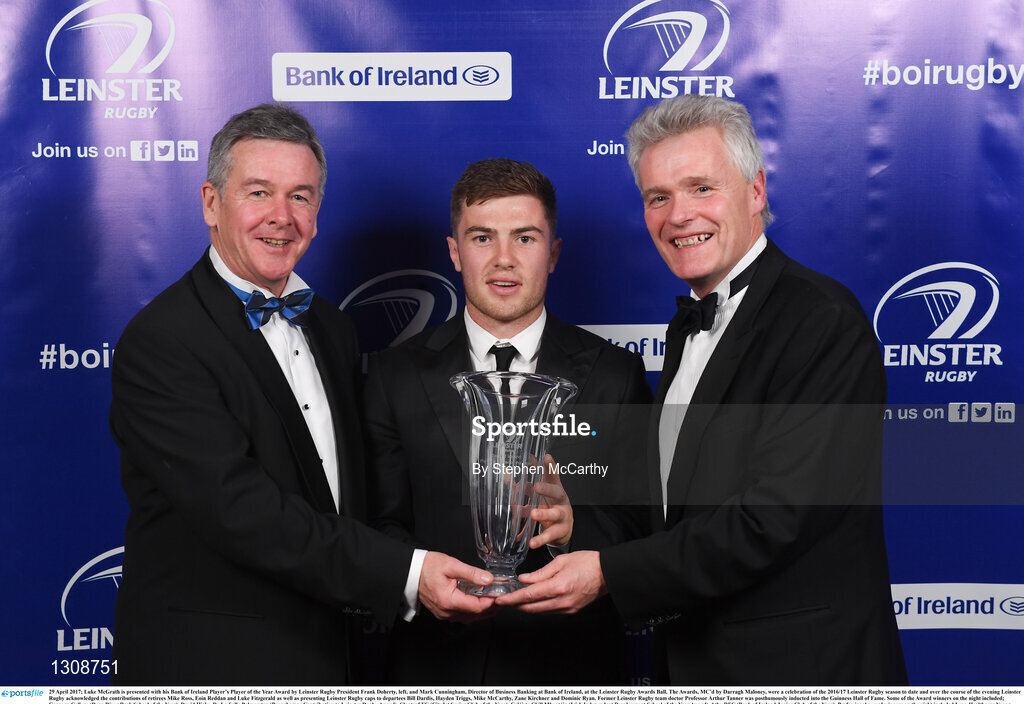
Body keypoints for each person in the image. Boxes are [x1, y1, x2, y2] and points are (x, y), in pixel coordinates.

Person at [497, 96, 908, 685]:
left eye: (701, 188)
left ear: (756, 191)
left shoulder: (821, 319)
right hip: (696, 661)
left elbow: (774, 520)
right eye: (657, 197)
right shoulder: (688, 327)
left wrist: (609, 572)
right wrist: (576, 527)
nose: (679, 215)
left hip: (800, 670)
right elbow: (683, 509)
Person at [109, 103, 494, 685]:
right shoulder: (162, 340)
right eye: (258, 192)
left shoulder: (332, 328)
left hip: (331, 657)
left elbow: (350, 496)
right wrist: (410, 573)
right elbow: (243, 512)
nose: (281, 217)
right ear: (211, 203)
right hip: (211, 667)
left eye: (300, 196)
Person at [363, 158, 652, 684]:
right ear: (454, 251)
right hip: (434, 666)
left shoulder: (617, 374)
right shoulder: (392, 375)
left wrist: (572, 529)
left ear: (553, 253)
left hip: (573, 668)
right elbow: (378, 521)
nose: (503, 259)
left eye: (524, 238)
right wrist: (417, 579)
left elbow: (640, 527)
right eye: (482, 238)